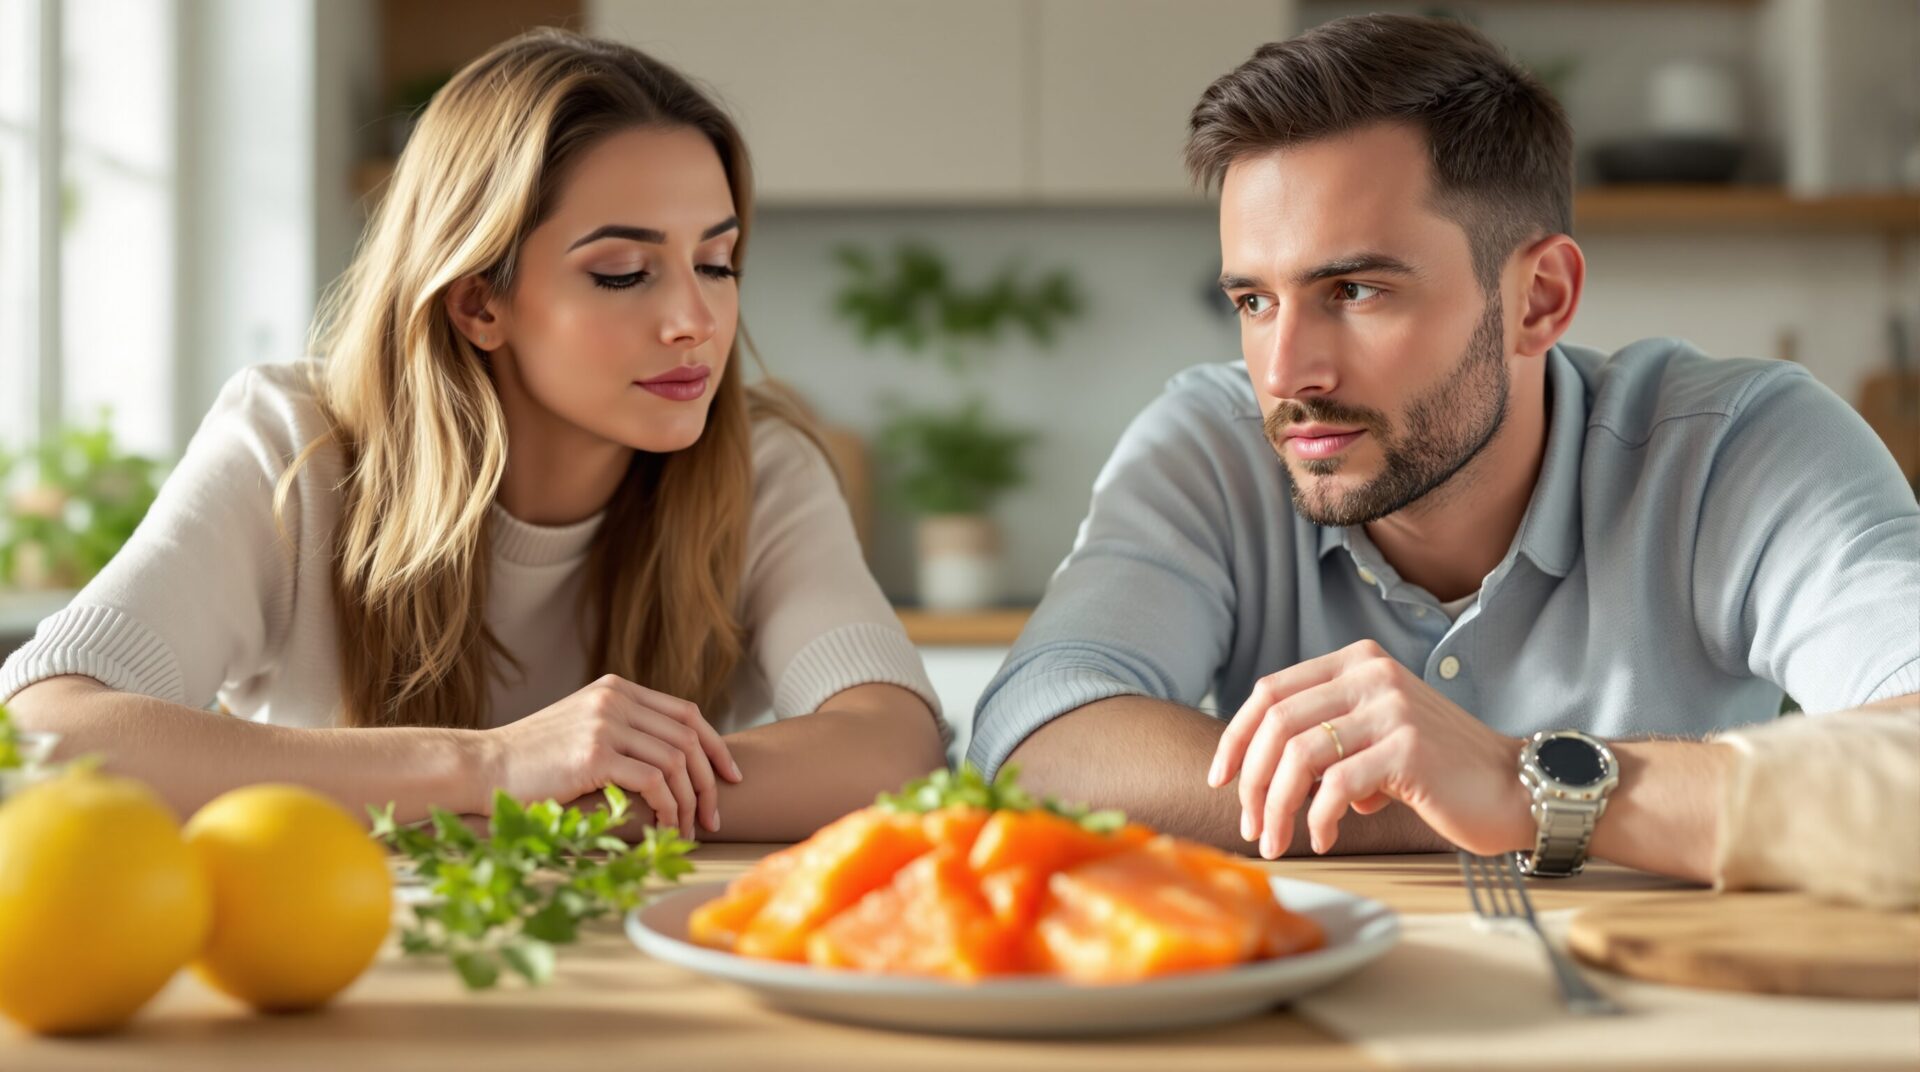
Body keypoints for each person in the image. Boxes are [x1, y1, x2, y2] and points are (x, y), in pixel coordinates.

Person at [967, 14, 1919, 883]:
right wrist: (1427, 794)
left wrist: (1517, 783)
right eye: (1254, 302)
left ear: (1538, 298)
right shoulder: (1210, 447)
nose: (1287, 372)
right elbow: (1038, 744)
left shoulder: (1739, 449)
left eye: (1355, 292)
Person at [0, 29, 947, 841]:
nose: (694, 320)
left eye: (717, 261)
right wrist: (487, 767)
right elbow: (42, 729)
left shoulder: (764, 464)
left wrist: (582, 798)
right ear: (477, 302)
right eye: (624, 273)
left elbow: (891, 744)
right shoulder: (292, 442)